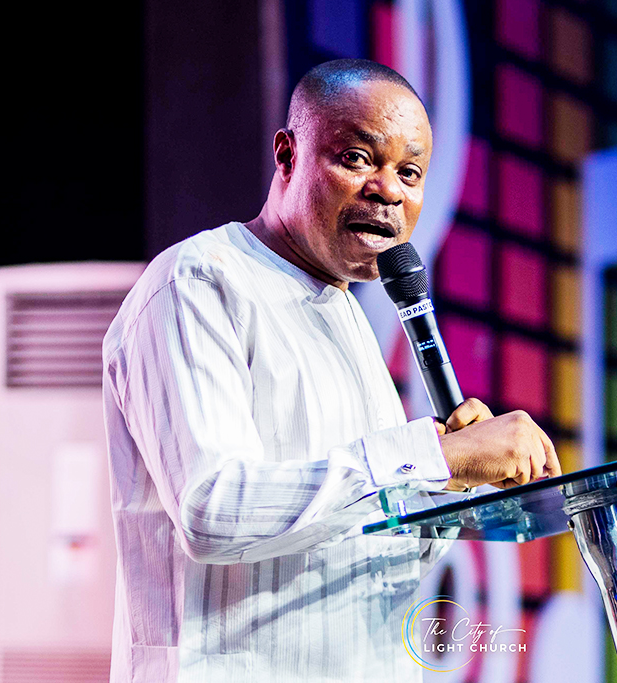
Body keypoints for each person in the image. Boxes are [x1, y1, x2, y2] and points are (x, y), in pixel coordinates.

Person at [102, 58, 560, 682]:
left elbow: (360, 539)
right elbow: (213, 510)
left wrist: (446, 486)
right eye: (357, 158)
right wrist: (434, 457)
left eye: (409, 173)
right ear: (288, 155)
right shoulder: (199, 282)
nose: (388, 191)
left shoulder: (346, 314)